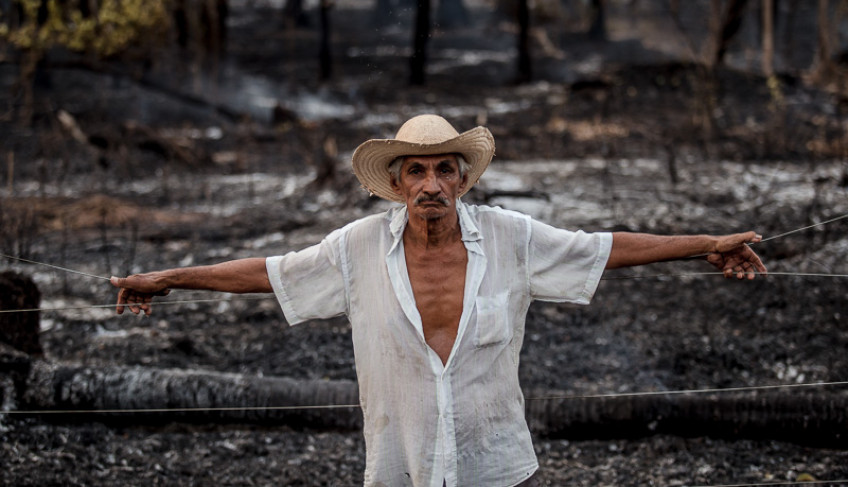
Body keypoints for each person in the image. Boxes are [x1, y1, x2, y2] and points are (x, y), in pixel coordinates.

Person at [111, 114, 767, 487]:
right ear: (396, 184)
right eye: (416, 170)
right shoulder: (358, 247)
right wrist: (169, 278)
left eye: (444, 168)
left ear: (462, 178)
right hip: (400, 466)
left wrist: (706, 242)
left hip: (498, 465)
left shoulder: (511, 237)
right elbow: (270, 273)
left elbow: (603, 247)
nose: (431, 182)